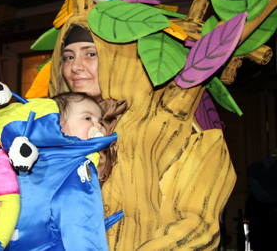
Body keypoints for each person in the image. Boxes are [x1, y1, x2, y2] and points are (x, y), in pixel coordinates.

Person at [47, 23, 237, 250]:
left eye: (90, 54)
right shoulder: (49, 130)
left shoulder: (170, 125)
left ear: (120, 57)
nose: (76, 66)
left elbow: (195, 223)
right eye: (68, 57)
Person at [0, 91, 119, 250]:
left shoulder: (25, 155)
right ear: (58, 124)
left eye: (101, 122)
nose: (98, 126)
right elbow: (80, 222)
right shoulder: (74, 166)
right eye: (87, 118)